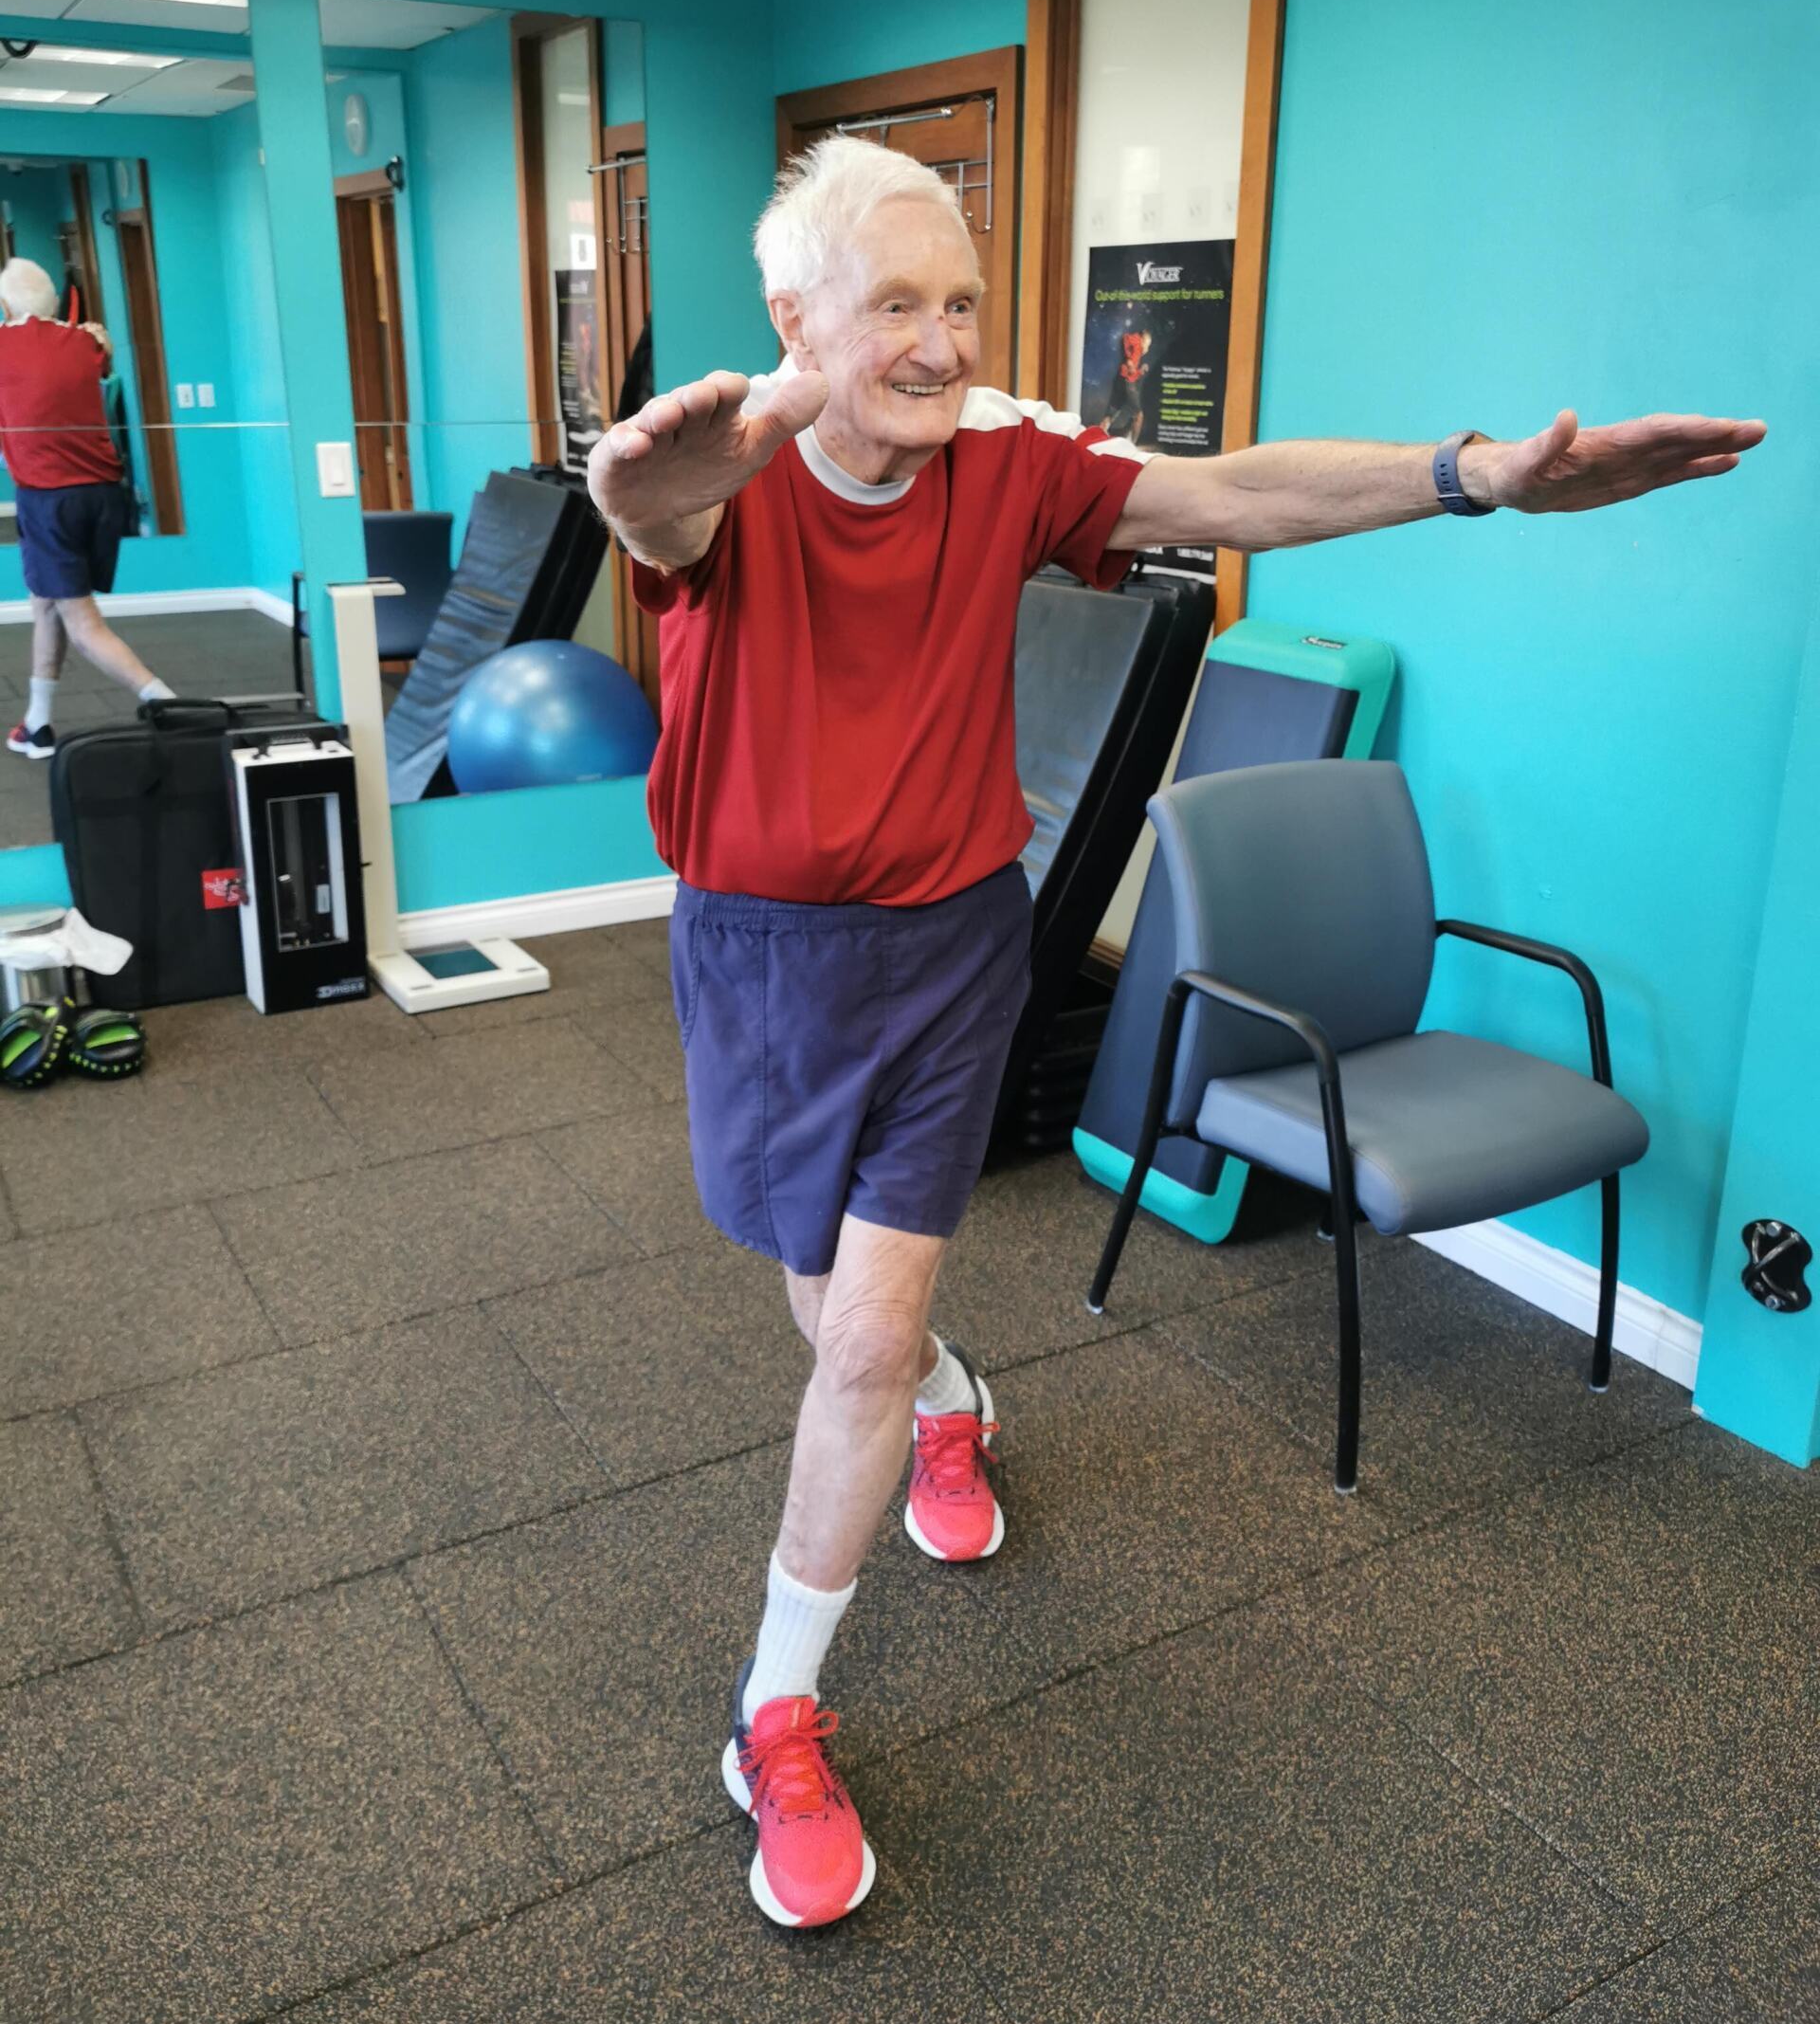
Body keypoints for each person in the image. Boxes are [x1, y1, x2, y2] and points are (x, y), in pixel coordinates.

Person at [586, 136, 1764, 1932]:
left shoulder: (1006, 466)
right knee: (834, 1310)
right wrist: (636, 480)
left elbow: (1230, 494)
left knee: (858, 1342)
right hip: (760, 961)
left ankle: (774, 1715)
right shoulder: (735, 477)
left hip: (957, 939)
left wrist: (1481, 479)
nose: (938, 339)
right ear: (795, 316)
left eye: (961, 299)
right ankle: (953, 1404)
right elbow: (655, 514)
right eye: (894, 303)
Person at [0, 256, 172, 759]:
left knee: (83, 623)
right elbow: (98, 356)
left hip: (50, 499)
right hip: (100, 495)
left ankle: (168, 703)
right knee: (46, 603)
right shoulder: (87, 342)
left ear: (7, 305)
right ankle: (37, 724)